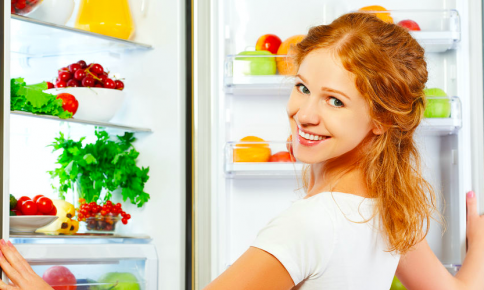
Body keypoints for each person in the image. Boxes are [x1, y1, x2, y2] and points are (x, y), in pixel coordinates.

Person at [204, 13, 484, 290]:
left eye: (335, 101)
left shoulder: (306, 225)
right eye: (303, 87)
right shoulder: (390, 214)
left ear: (381, 119)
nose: (304, 115)